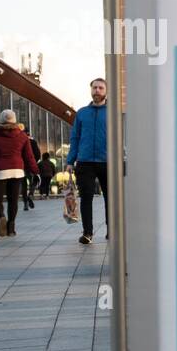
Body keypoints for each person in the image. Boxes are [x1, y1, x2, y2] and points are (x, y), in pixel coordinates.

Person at [0, 109, 37, 238]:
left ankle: (1, 216)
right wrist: (35, 171)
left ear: (0, 120)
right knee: (13, 200)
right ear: (14, 120)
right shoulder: (22, 135)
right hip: (16, 170)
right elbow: (29, 156)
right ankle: (11, 228)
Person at [67, 77, 108, 244]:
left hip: (108, 161)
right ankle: (87, 233)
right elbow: (75, 137)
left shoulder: (113, 111)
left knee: (110, 198)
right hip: (84, 162)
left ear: (106, 91)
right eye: (94, 88)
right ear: (90, 90)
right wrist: (70, 160)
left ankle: (112, 230)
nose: (97, 90)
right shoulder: (82, 113)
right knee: (86, 197)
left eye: (100, 88)